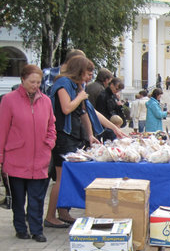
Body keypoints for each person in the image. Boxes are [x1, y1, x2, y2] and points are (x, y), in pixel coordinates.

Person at [45, 55, 123, 228]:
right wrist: (80, 97)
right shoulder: (63, 84)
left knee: (67, 177)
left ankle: (63, 212)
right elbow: (66, 108)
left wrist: (90, 134)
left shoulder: (77, 86)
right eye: (88, 73)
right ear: (79, 70)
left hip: (73, 136)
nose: (90, 77)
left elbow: (86, 113)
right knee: (61, 177)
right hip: (63, 136)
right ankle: (50, 216)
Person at [0, 64, 56, 243]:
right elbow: (2, 129)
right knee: (19, 199)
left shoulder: (46, 101)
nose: (35, 85)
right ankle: (20, 227)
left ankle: (37, 230)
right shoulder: (9, 100)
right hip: (16, 158)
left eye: (38, 82)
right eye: (32, 82)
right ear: (22, 80)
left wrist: (49, 143)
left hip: (40, 159)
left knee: (36, 199)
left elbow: (52, 126)